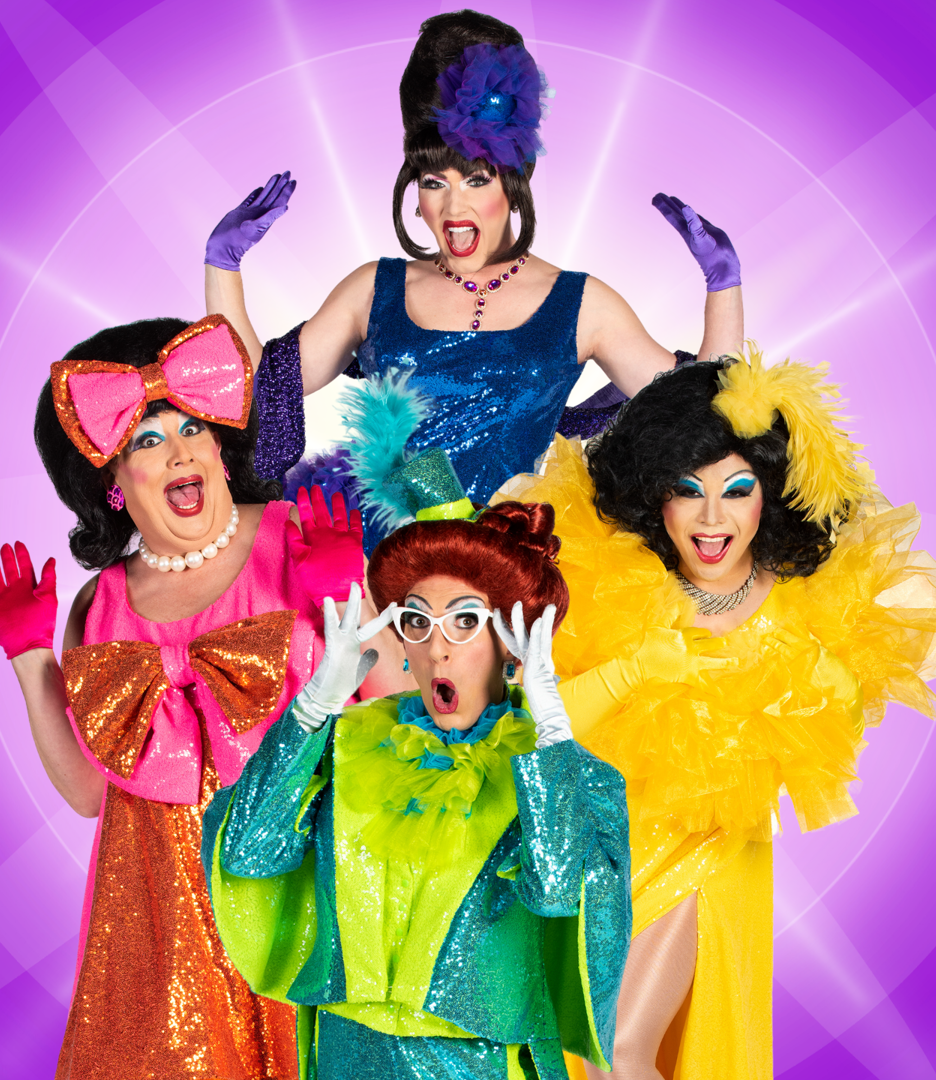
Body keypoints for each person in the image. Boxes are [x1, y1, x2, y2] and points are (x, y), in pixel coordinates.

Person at [499, 348, 936, 1080]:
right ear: (655, 495)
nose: (712, 519)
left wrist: (818, 685)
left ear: (768, 498)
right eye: (688, 491)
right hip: (596, 848)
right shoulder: (607, 580)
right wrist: (631, 670)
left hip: (707, 852)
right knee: (578, 1050)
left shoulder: (810, 611)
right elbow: (537, 727)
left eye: (737, 491)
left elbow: (826, 734)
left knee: (617, 1044)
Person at [0, 314, 403, 1079]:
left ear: (219, 446)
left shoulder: (299, 538)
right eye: (147, 439)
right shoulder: (99, 605)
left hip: (302, 897)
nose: (179, 450)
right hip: (159, 928)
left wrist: (350, 600)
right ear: (110, 483)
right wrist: (32, 662)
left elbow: (399, 719)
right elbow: (88, 795)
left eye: (192, 427)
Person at [200, 385, 632, 1079]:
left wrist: (549, 731)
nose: (437, 648)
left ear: (513, 639)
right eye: (416, 621)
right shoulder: (347, 743)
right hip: (349, 1054)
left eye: (465, 621)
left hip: (478, 1063)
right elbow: (249, 853)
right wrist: (313, 709)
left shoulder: (570, 776)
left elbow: (557, 891)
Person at [201, 9, 747, 548]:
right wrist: (223, 265)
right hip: (384, 563)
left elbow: (703, 411)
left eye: (477, 179)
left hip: (515, 563)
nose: (454, 206)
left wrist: (723, 284)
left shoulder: (583, 303)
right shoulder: (373, 290)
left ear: (514, 183)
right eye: (434, 181)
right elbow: (253, 389)